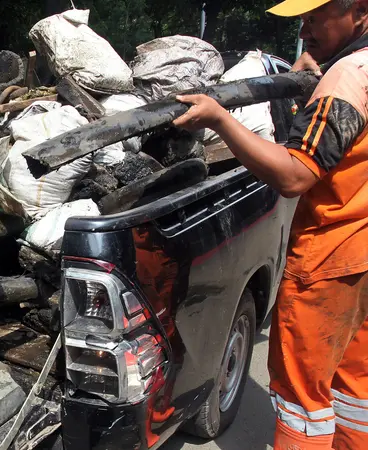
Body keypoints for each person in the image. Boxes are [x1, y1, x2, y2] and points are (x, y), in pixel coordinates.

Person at [172, 0, 368, 448]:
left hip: (328, 257)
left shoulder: (348, 77)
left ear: (359, 9)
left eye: (315, 18)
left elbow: (296, 174)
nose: (304, 32)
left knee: (302, 402)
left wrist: (220, 119)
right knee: (353, 382)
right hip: (361, 252)